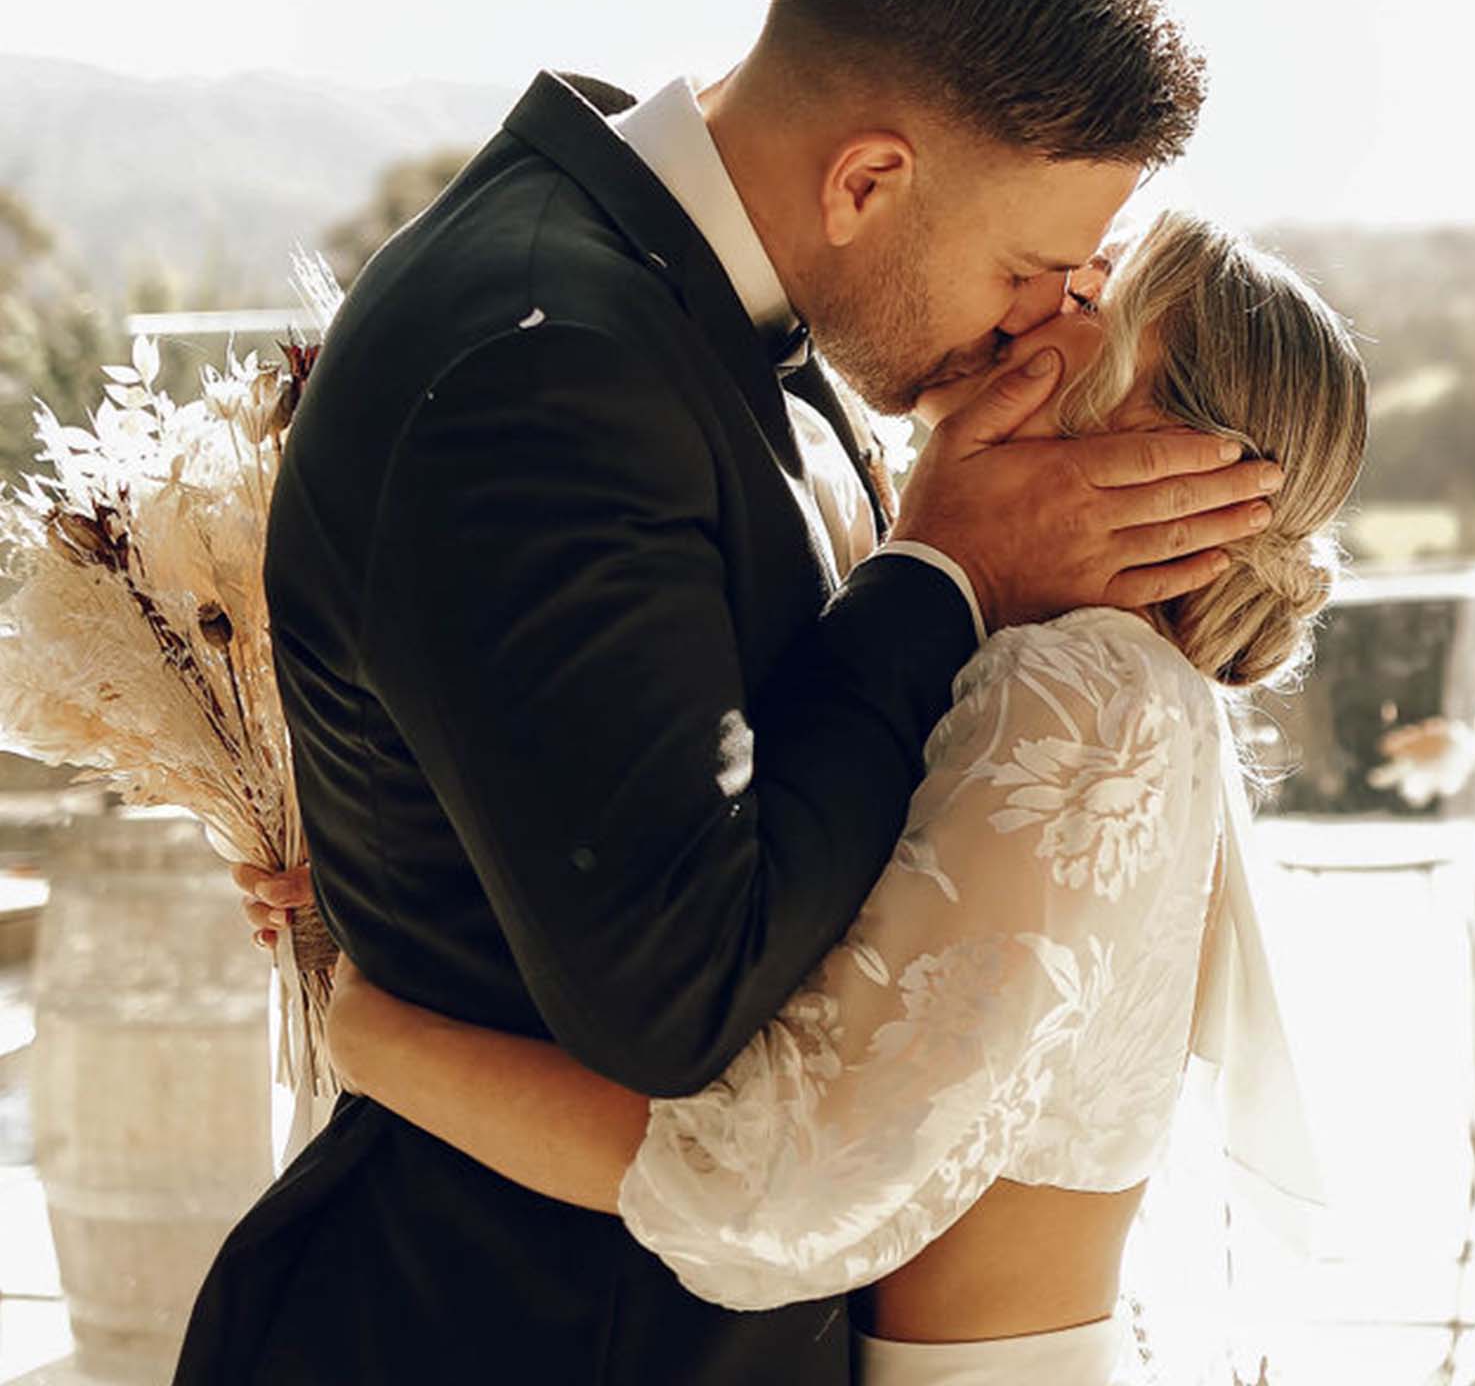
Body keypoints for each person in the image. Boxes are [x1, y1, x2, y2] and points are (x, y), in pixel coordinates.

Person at [180, 0, 1282, 1386]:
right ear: (868, 180)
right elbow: (675, 992)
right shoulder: (539, 358)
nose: (1043, 321)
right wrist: (940, 573)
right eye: (1030, 268)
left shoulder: (729, 312)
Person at [260, 209, 1367, 1385]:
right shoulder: (1064, 669)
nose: (1038, 300)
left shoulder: (1087, 689)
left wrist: (374, 1031)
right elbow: (785, 917)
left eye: (1092, 300)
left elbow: (771, 1182)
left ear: (1172, 454)